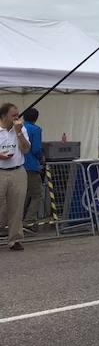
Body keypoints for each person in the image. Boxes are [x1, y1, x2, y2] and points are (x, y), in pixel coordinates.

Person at [0, 103, 30, 251]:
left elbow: (25, 149)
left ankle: (15, 239)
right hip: (1, 170)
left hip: (18, 170)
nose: (17, 117)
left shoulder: (21, 128)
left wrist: (19, 132)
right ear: (4, 116)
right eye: (13, 115)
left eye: (17, 115)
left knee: (17, 206)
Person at [21, 108, 44, 227]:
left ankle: (17, 218)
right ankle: (29, 220)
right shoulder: (36, 129)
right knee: (36, 194)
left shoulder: (17, 128)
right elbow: (36, 149)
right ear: (36, 118)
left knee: (22, 194)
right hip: (31, 165)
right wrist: (41, 158)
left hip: (18, 165)